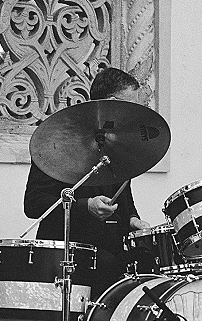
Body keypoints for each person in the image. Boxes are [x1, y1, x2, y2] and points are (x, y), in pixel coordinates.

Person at [24, 68, 150, 298]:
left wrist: (132, 220)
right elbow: (33, 204)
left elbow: (124, 200)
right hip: (65, 259)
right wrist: (85, 206)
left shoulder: (119, 145)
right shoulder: (56, 141)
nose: (136, 114)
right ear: (113, 103)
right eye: (132, 106)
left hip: (110, 254)